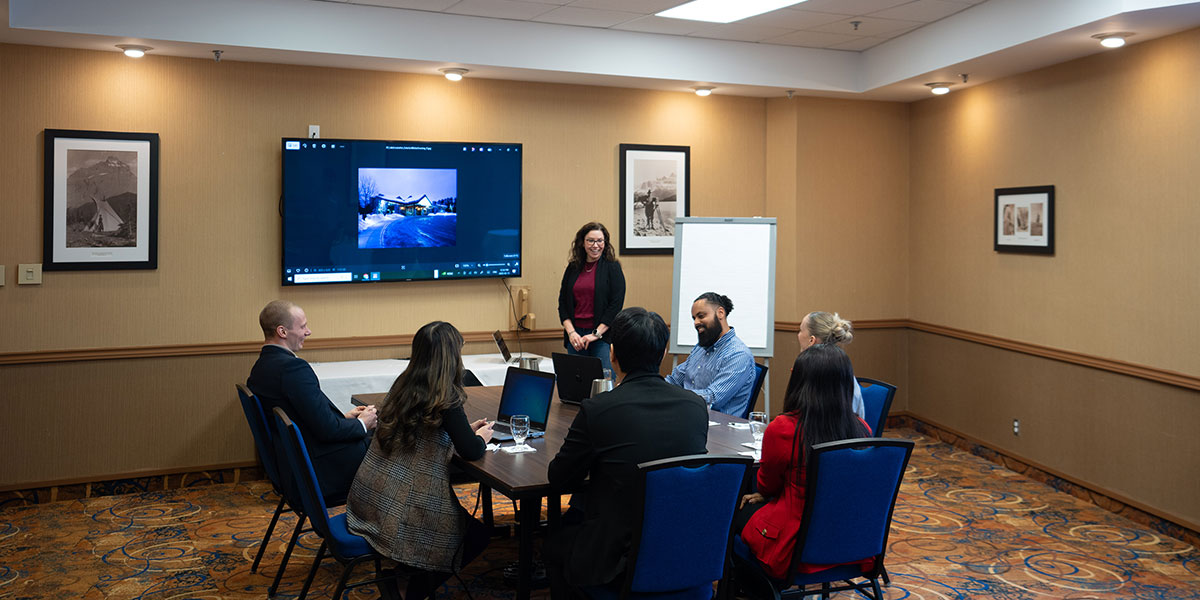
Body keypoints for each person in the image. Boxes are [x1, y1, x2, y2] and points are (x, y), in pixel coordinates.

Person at [546, 307, 709, 596]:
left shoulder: (599, 409)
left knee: (552, 544)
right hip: (684, 552)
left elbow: (559, 478)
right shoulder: (695, 407)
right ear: (664, 351)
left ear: (612, 353)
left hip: (616, 561)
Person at [346, 321, 494, 600]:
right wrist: (481, 437)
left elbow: (424, 437)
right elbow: (472, 451)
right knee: (476, 537)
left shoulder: (403, 384)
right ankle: (407, 591)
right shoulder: (445, 396)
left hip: (372, 495)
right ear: (451, 357)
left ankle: (404, 573)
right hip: (404, 506)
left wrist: (464, 431)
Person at [732, 344, 872, 580]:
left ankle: (745, 587)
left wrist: (765, 494)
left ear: (800, 382)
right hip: (851, 541)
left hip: (795, 546)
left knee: (733, 513)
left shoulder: (784, 429)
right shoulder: (862, 428)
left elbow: (768, 486)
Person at [247, 300, 377, 501]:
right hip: (319, 471)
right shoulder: (293, 369)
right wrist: (362, 424)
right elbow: (327, 431)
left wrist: (345, 417)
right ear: (282, 331)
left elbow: (302, 419)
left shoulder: (261, 368)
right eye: (303, 326)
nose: (308, 332)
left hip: (293, 468)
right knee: (388, 442)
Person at [665, 292, 757, 417]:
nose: (696, 322)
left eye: (701, 316)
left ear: (720, 313)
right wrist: (653, 388)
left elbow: (712, 399)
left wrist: (673, 395)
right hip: (689, 418)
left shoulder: (738, 354)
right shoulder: (701, 348)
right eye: (694, 318)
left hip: (720, 431)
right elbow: (676, 379)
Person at [557, 222, 626, 374]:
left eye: (600, 241)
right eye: (591, 241)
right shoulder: (573, 267)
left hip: (601, 337)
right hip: (575, 337)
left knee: (602, 381)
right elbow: (563, 303)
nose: (596, 245)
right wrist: (571, 333)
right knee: (576, 382)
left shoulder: (612, 267)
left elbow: (615, 305)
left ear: (605, 243)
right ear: (582, 242)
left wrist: (595, 334)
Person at [797, 311, 866, 421]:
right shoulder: (844, 369)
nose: (798, 335)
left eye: (800, 330)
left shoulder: (813, 377)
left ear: (811, 340)